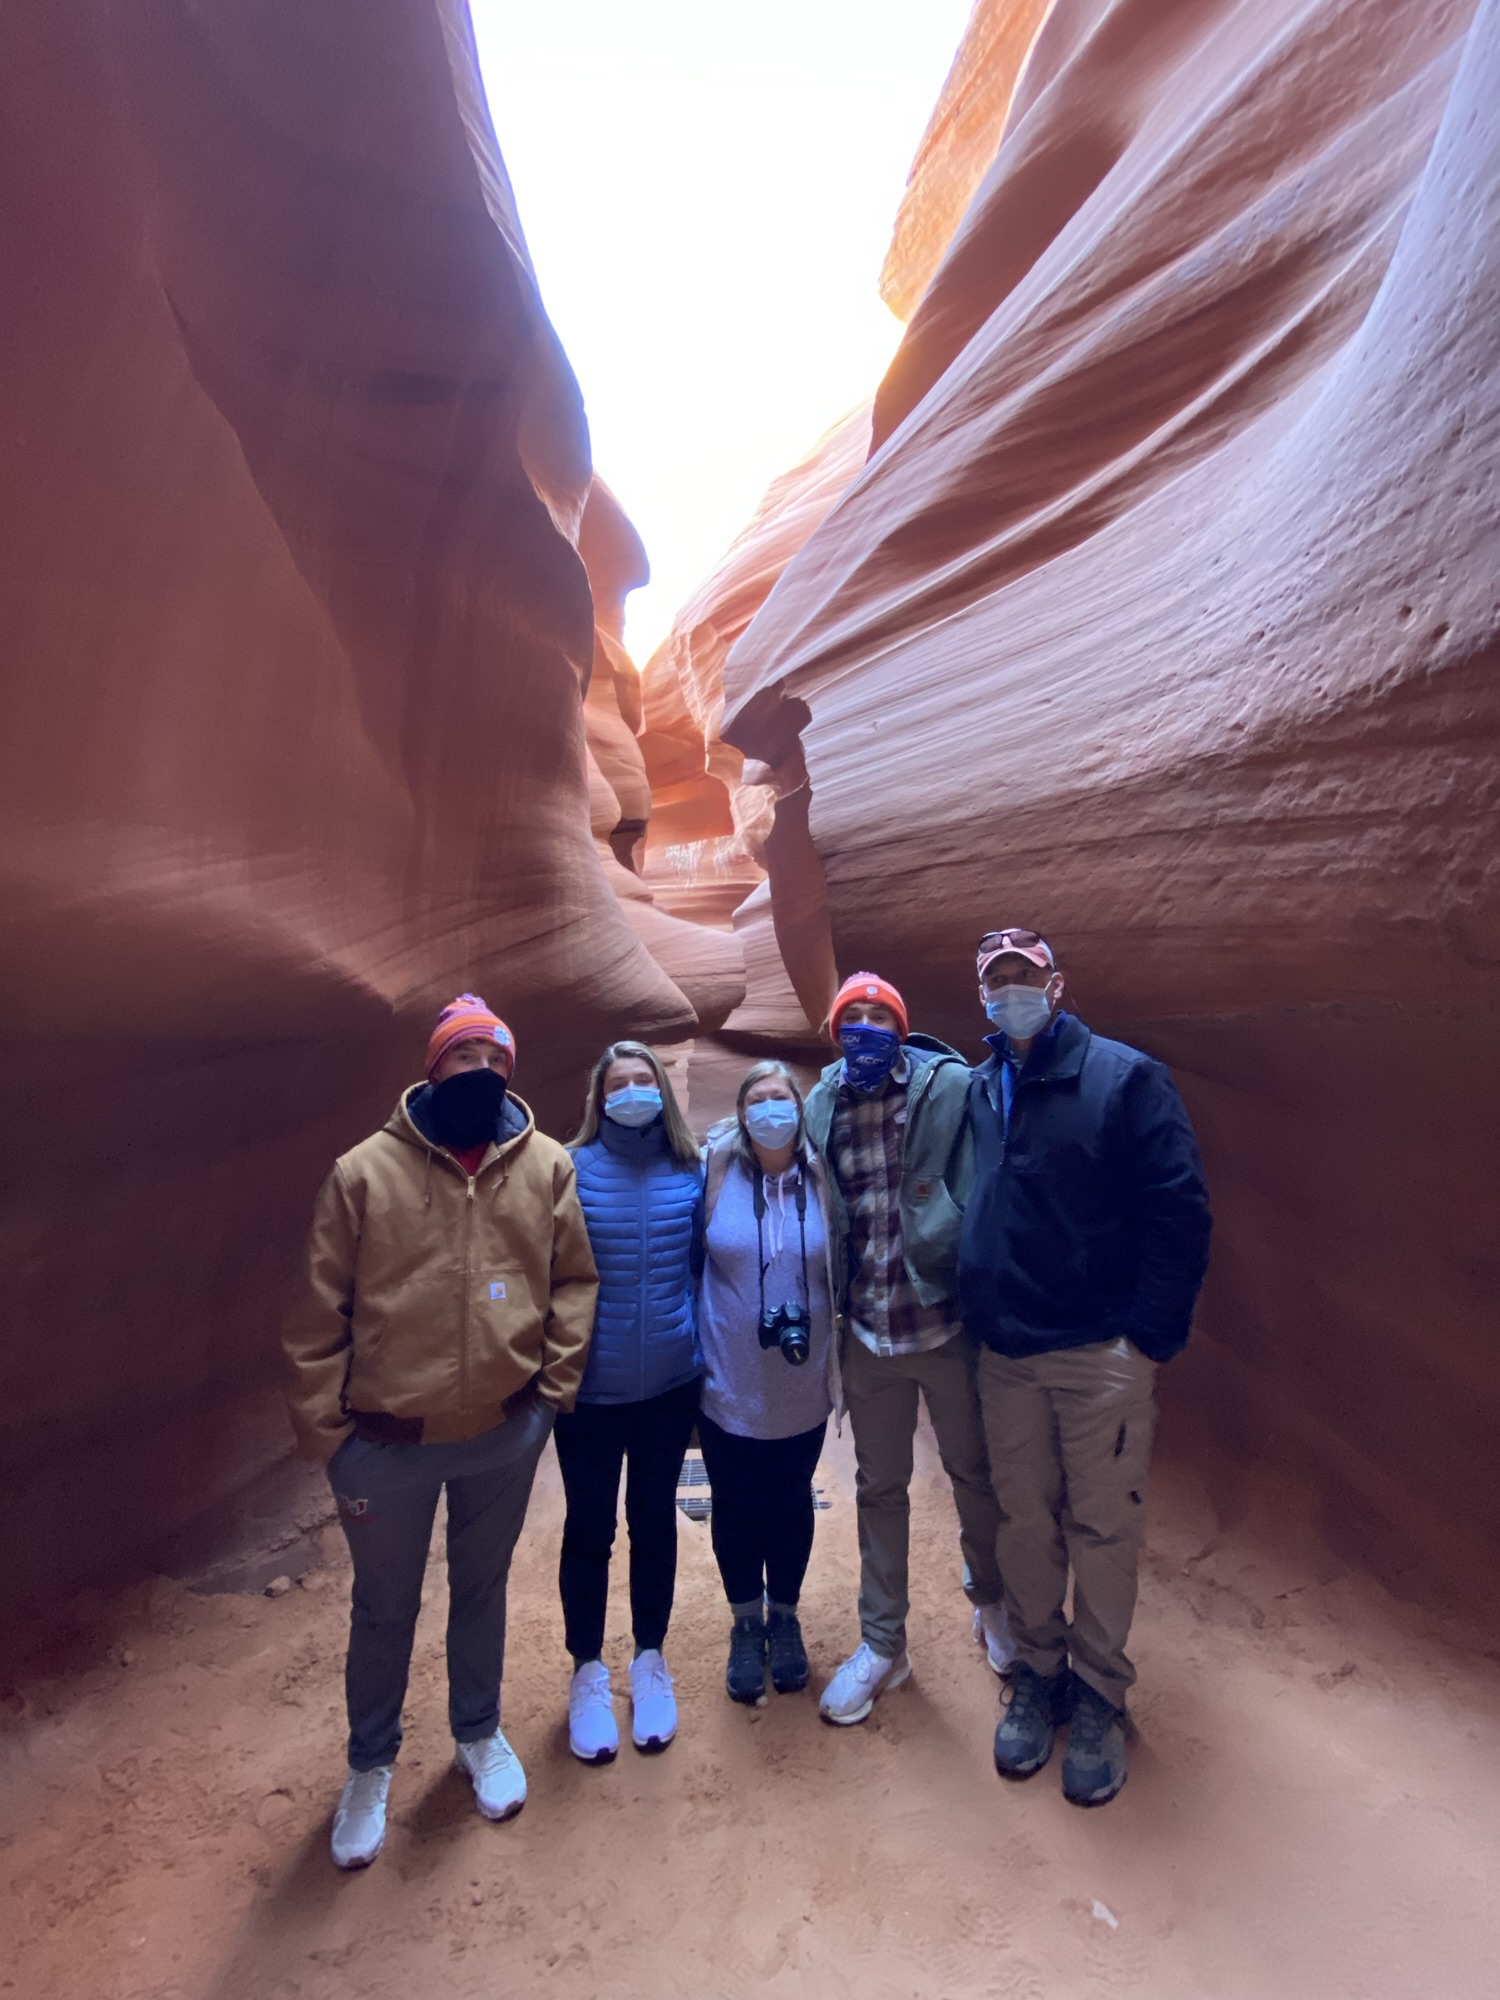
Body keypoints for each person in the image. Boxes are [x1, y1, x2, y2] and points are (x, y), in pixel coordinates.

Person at [282, 995, 598, 1869]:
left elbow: (574, 1281)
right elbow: (316, 1312)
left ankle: (478, 1732)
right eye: (465, 1058)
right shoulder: (363, 1174)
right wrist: (330, 1437)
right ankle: (370, 1765)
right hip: (384, 1445)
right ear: (434, 1067)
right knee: (384, 1608)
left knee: (481, 1590)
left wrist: (550, 1396)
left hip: (502, 1433)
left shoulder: (545, 1166)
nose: (482, 1073)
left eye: (496, 1062)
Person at [959, 928, 1212, 1806]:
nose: (1012, 991)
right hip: (1008, 1353)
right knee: (1025, 1521)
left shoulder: (1124, 1077)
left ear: (1057, 984)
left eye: (1025, 976)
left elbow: (1179, 1208)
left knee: (1103, 1527)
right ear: (983, 996)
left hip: (1098, 1353)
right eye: (997, 981)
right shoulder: (983, 1084)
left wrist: (1146, 1337)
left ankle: (1100, 1692)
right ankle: (1040, 1673)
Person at [804, 973, 1010, 1727]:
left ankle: (993, 1601)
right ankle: (883, 1644)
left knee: (974, 1474)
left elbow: (991, 1167)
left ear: (900, 1024)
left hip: (944, 1320)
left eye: (878, 1015)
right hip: (867, 1331)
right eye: (851, 1016)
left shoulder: (947, 1084)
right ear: (836, 1031)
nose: (865, 1026)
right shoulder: (820, 1102)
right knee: (879, 1488)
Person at [557, 1042, 704, 1763]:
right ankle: (587, 1670)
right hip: (590, 1391)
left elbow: (702, 1266)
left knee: (653, 1522)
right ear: (599, 1095)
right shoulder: (569, 1169)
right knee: (589, 1527)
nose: (634, 1092)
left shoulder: (691, 1169)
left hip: (668, 1388)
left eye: (645, 1080)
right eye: (619, 1083)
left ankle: (650, 1659)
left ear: (662, 1092)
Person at [697, 1061, 838, 1705]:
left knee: (789, 1499)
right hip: (727, 1377)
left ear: (800, 1109)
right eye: (758, 1099)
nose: (770, 1109)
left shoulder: (823, 1173)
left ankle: (784, 1617)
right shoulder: (715, 1168)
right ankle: (745, 1623)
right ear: (741, 1112)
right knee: (733, 1502)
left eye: (782, 1097)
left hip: (802, 1382)